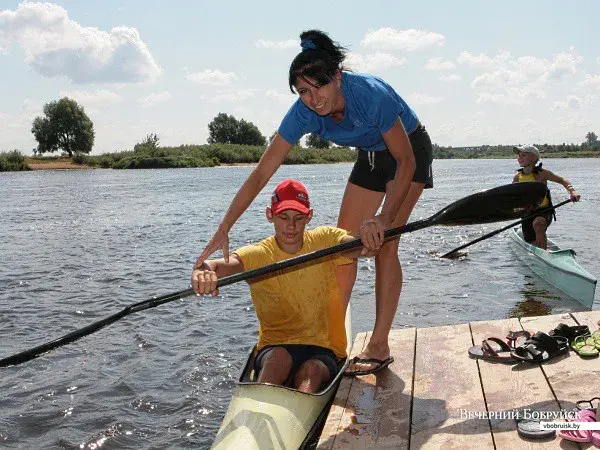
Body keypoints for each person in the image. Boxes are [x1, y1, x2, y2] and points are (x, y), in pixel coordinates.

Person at [194, 29, 434, 375]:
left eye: (319, 86)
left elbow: (406, 162)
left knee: (385, 244)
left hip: (408, 148)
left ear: (337, 76)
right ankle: (328, 337)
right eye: (303, 91)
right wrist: (224, 227)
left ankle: (379, 345)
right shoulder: (302, 113)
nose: (313, 98)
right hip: (371, 153)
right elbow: (260, 174)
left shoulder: (370, 95)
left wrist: (384, 218)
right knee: (342, 245)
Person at [191, 179, 379, 392]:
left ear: (309, 216)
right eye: (283, 217)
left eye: (299, 218)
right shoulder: (260, 254)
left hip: (325, 349)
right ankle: (263, 405)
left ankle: (299, 409)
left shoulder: (325, 239)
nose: (291, 225)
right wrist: (202, 271)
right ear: (270, 215)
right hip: (275, 347)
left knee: (311, 371)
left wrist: (366, 241)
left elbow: (353, 247)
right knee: (277, 359)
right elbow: (217, 266)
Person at [512, 145, 580, 249]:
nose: (519, 158)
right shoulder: (517, 177)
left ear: (534, 158)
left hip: (544, 211)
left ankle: (543, 252)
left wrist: (572, 191)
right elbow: (511, 195)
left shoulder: (543, 173)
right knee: (529, 239)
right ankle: (536, 241)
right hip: (527, 213)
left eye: (523, 155)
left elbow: (562, 180)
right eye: (519, 156)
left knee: (538, 223)